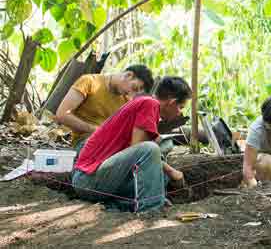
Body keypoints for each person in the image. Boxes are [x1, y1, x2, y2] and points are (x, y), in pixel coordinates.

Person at [71, 76, 190, 212]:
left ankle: (121, 204)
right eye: (180, 107)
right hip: (87, 180)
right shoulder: (149, 104)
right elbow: (139, 148)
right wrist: (172, 171)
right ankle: (151, 210)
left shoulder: (145, 103)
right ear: (172, 102)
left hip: (101, 177)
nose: (180, 112)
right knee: (151, 149)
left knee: (161, 176)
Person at [55, 65, 154, 152]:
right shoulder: (90, 81)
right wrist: (96, 130)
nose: (131, 93)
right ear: (128, 75)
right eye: (134, 88)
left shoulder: (126, 101)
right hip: (85, 142)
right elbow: (62, 114)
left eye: (136, 92)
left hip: (110, 145)